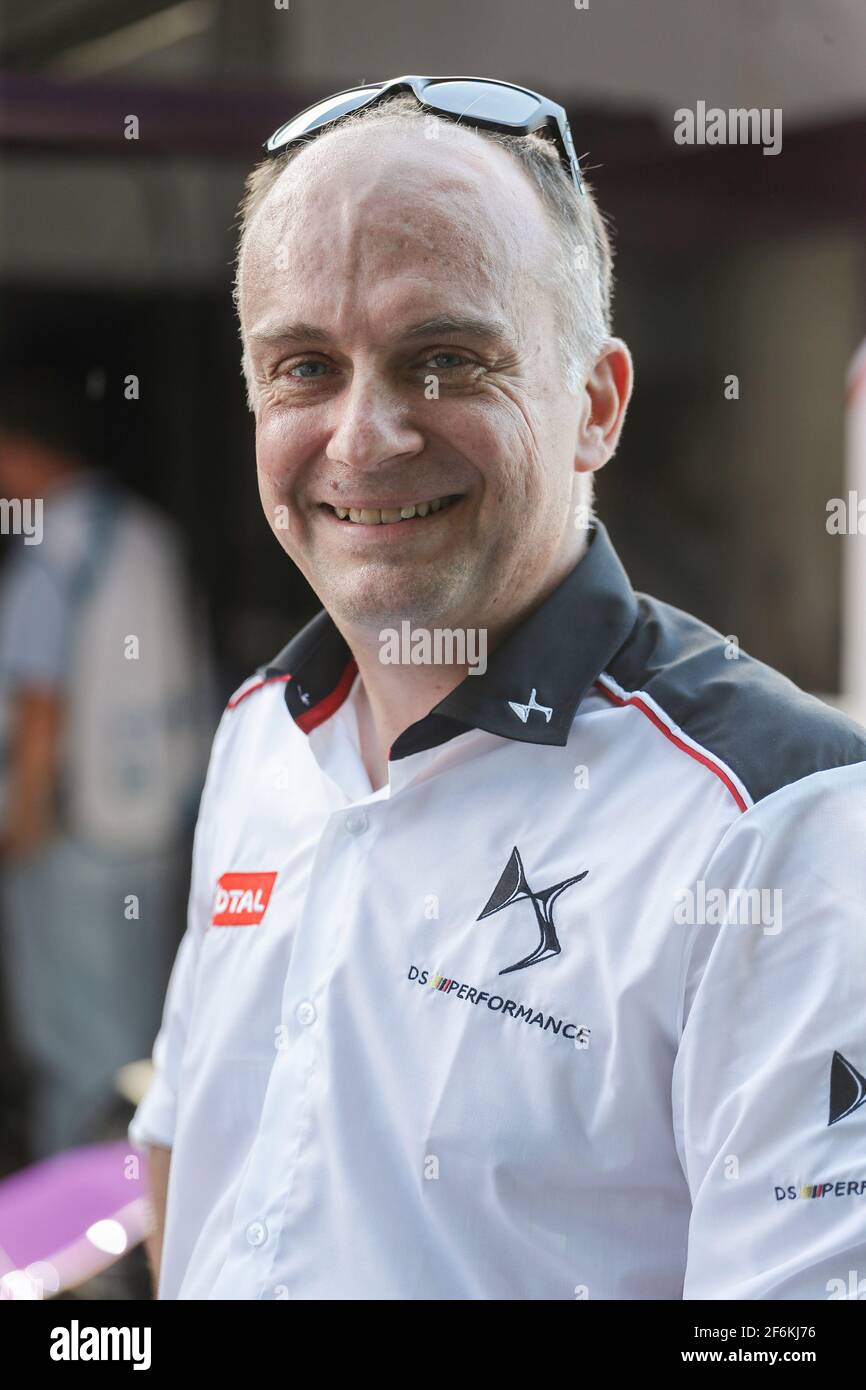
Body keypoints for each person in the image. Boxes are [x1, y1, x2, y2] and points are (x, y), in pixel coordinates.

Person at [129, 77, 866, 1300]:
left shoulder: (782, 825)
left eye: (444, 359)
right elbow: (190, 1152)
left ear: (593, 405)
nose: (363, 438)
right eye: (304, 366)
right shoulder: (264, 724)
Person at [0, 367, 212, 1159]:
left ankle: (81, 1247)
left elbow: (41, 708)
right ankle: (140, 1208)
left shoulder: (52, 554)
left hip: (73, 832)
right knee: (138, 1031)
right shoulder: (148, 536)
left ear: (20, 450)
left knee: (73, 1050)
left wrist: (21, 825)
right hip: (154, 821)